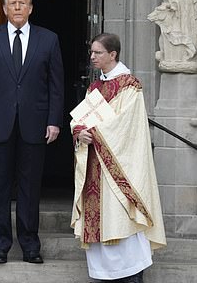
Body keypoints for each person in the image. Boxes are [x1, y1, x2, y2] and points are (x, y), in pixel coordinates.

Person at [0, 0, 64, 265]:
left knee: (30, 188)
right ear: (4, 9)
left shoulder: (49, 40)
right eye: (13, 3)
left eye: (23, 3)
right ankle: (0, 246)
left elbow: (56, 86)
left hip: (35, 124)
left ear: (31, 8)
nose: (18, 7)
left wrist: (54, 121)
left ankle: (30, 246)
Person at [71, 33, 166, 282]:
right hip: (95, 166)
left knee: (120, 220)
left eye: (98, 52)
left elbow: (126, 127)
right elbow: (80, 120)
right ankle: (103, 275)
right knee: (100, 223)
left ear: (113, 54)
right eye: (91, 52)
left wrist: (93, 131)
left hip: (118, 171)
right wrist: (79, 131)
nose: (92, 57)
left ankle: (131, 275)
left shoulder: (130, 86)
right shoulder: (94, 88)